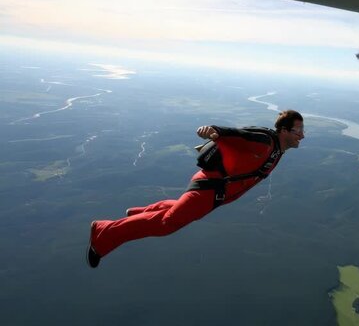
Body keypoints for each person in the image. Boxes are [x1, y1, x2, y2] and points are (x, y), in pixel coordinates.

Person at [86, 110, 304, 268]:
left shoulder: (276, 149)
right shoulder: (265, 142)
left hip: (216, 193)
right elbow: (239, 135)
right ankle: (104, 234)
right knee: (167, 224)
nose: (301, 135)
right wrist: (214, 131)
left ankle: (138, 213)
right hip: (210, 188)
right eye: (298, 131)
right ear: (283, 130)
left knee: (181, 214)